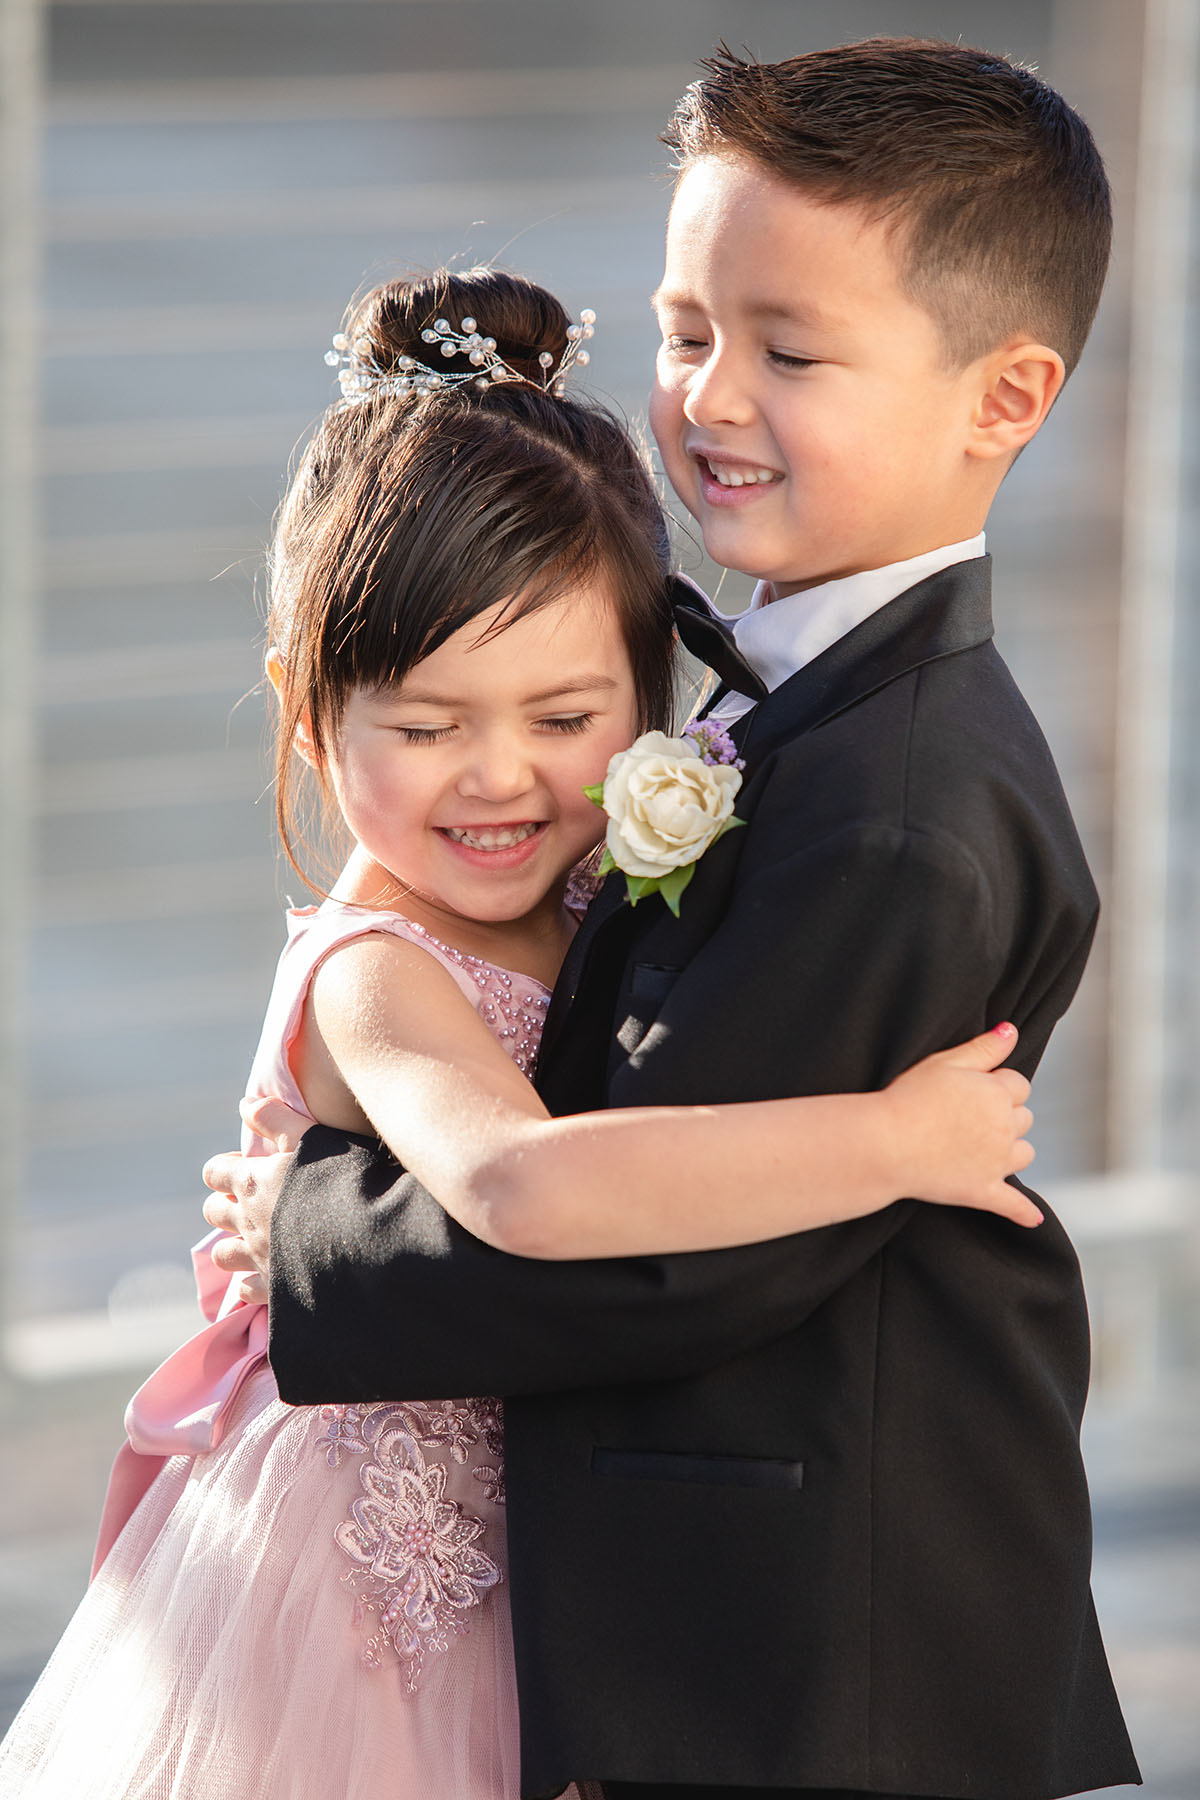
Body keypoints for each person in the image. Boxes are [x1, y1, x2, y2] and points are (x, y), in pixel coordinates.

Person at [204, 39, 1142, 1800]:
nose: (712, 397)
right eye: (688, 330)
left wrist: (308, 1241)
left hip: (817, 1655)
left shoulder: (901, 817)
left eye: (789, 351)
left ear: (1004, 397)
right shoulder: (781, 698)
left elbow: (669, 1257)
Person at [0, 265, 1037, 1800]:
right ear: (308, 714)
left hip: (559, 1545)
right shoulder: (374, 972)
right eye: (424, 728)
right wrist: (893, 1144)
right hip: (363, 1594)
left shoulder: (613, 880)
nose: (500, 780)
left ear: (660, 690)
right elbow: (523, 1187)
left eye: (565, 721)